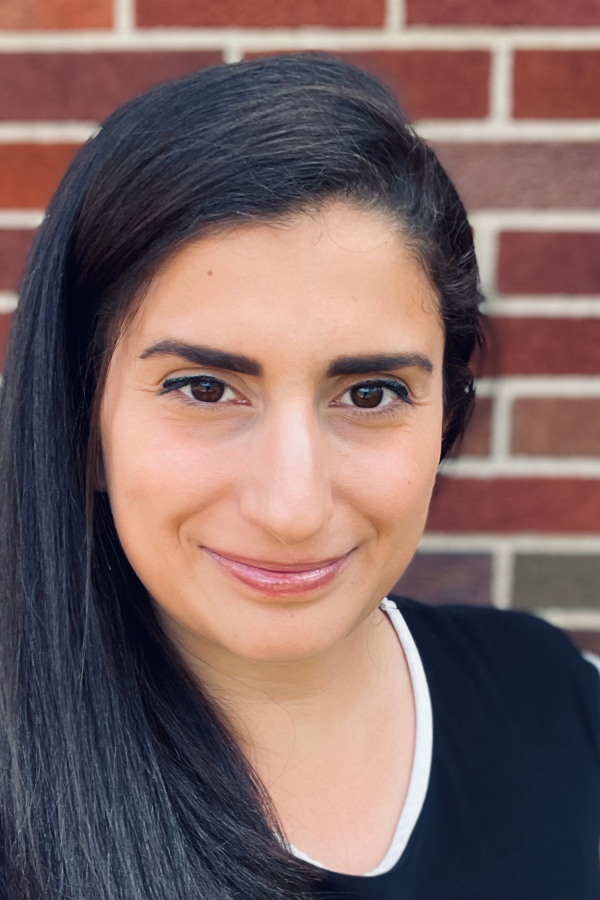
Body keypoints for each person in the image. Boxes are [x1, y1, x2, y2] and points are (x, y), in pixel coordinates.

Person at [0, 53, 598, 900]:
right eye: (204, 389)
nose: (291, 506)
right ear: (82, 418)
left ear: (445, 417)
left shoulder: (556, 706)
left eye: (370, 393)